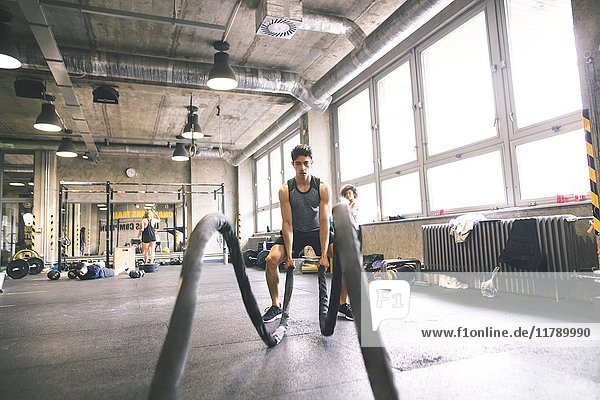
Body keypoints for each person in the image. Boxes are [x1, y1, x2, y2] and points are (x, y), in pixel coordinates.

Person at [262, 144, 353, 323]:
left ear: (311, 163)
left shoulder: (322, 187)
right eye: (298, 164)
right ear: (293, 164)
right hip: (295, 232)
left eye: (305, 163)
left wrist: (325, 255)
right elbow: (287, 224)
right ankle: (275, 306)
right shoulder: (286, 190)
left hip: (318, 230)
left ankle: (343, 304)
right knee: (271, 259)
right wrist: (289, 256)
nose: (302, 168)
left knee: (345, 257)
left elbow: (324, 221)